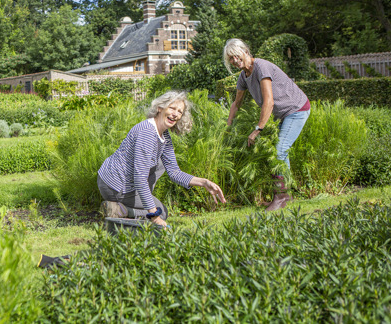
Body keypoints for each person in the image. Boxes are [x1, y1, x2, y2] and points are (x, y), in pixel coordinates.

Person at [97, 90, 226, 227]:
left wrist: (204, 182)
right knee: (161, 212)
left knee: (161, 165)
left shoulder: (164, 136)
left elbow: (174, 172)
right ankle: (120, 210)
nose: (175, 114)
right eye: (172, 108)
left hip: (121, 184)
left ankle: (120, 209)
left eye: (179, 112)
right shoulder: (147, 132)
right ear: (160, 108)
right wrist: (154, 216)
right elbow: (140, 178)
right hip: (115, 186)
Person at [223, 38, 311, 211]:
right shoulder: (243, 76)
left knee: (278, 152)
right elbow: (236, 103)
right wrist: (228, 126)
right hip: (284, 114)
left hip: (296, 109)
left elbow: (268, 102)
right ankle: (285, 195)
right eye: (230, 59)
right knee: (280, 153)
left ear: (245, 51)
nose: (234, 61)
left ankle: (281, 197)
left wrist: (258, 129)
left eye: (235, 56)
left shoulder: (262, 67)